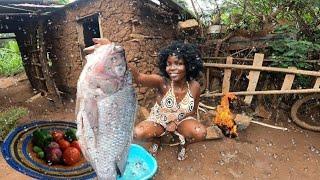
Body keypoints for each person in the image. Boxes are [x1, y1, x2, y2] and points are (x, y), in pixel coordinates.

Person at [86, 38, 219, 161]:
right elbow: (138, 77)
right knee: (138, 133)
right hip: (159, 119)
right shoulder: (162, 82)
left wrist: (176, 121)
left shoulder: (195, 87)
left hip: (182, 118)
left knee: (200, 133)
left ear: (188, 66)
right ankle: (157, 138)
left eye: (178, 64)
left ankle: (183, 143)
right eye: (169, 64)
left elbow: (193, 111)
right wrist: (115, 53)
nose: (172, 68)